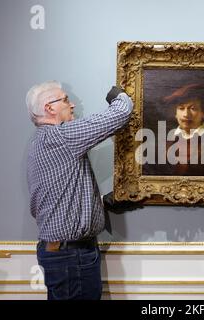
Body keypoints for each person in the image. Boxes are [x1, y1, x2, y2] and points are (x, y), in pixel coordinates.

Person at [26, 81, 133, 300]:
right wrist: (120, 95)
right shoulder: (60, 137)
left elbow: (60, 195)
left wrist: (101, 203)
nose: (72, 104)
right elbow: (120, 114)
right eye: (65, 100)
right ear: (49, 108)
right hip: (71, 256)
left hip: (66, 253)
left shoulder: (43, 141)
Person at [143, 83, 204, 176]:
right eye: (181, 108)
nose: (186, 114)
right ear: (175, 113)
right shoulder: (162, 142)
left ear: (203, 112)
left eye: (193, 108)